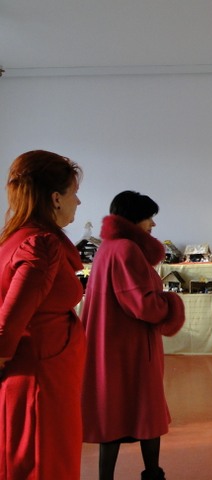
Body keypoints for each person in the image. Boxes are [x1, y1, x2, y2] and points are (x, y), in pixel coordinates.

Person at [81, 191, 185, 480]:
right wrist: (171, 303)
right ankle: (152, 474)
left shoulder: (107, 248)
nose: (153, 224)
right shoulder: (127, 250)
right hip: (133, 348)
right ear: (134, 219)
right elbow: (143, 305)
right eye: (149, 217)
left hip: (110, 344)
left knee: (111, 414)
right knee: (146, 410)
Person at [0, 150, 85, 478]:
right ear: (55, 198)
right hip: (41, 384)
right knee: (45, 465)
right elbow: (8, 325)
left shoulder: (17, 237)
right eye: (74, 193)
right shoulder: (40, 245)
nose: (78, 201)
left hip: (45, 377)